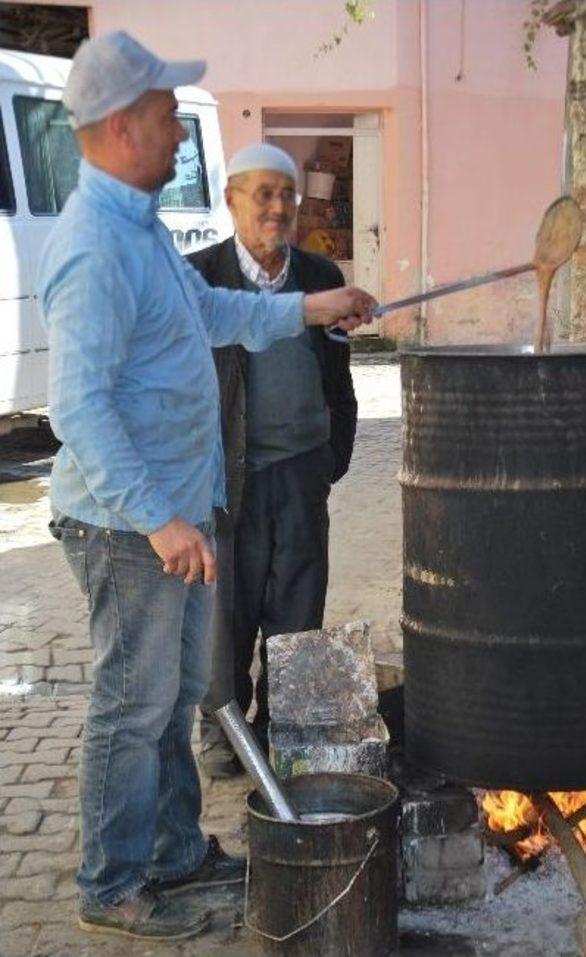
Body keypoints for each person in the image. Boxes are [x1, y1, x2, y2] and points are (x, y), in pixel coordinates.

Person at [38, 31, 375, 942]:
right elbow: (78, 408)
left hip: (179, 510)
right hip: (126, 525)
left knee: (182, 691)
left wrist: (312, 306)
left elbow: (217, 311)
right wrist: (158, 520)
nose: (181, 138)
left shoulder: (140, 229)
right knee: (131, 703)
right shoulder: (94, 248)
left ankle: (177, 848)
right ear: (118, 127)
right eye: (164, 119)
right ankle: (111, 882)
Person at [189, 144, 358, 777]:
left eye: (286, 194)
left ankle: (283, 730)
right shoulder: (199, 276)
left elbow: (336, 374)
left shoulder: (319, 275)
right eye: (263, 193)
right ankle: (225, 734)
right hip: (226, 477)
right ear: (231, 199)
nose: (279, 206)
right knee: (225, 613)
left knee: (298, 607)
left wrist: (333, 454)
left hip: (301, 470)